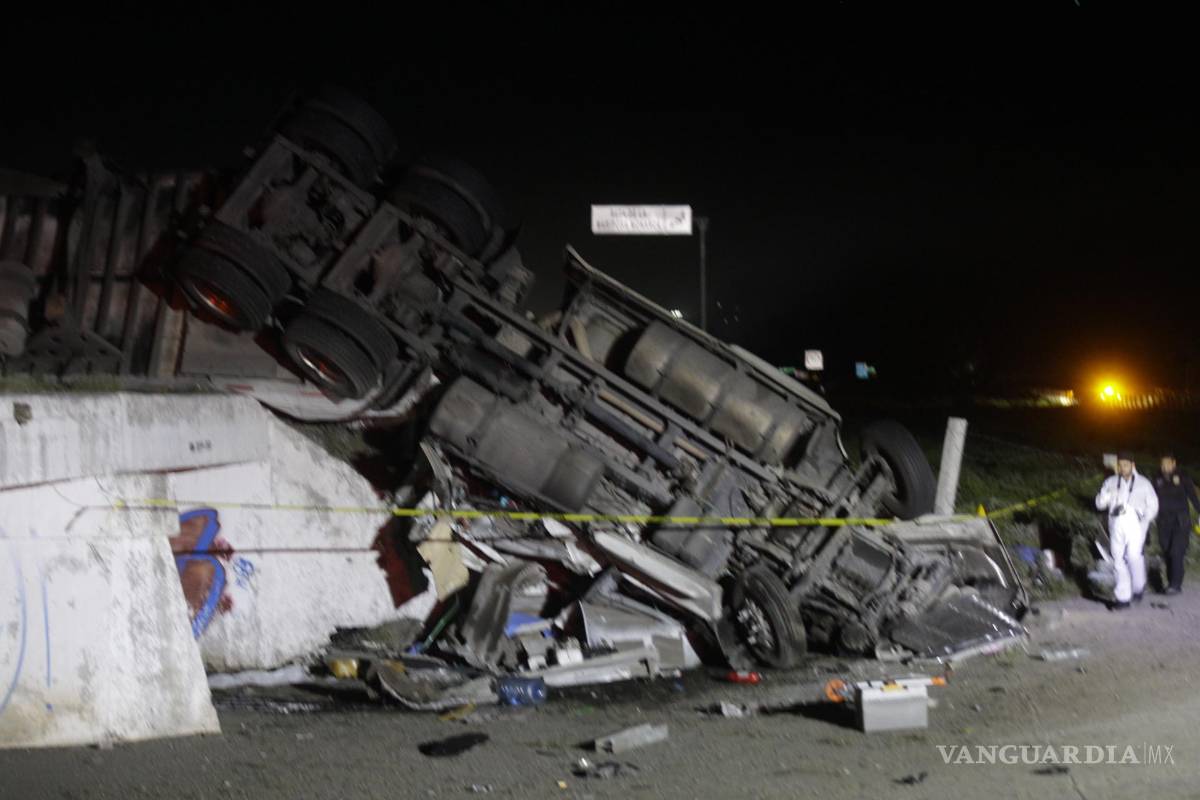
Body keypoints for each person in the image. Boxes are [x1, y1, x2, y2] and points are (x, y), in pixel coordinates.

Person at [1095, 452, 1159, 610]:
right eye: (1120, 465)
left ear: (1133, 465)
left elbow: (1153, 505)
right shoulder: (1110, 482)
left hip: (1135, 524)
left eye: (1126, 465)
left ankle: (1138, 586)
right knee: (1117, 560)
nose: (1122, 468)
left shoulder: (1143, 483)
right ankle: (1122, 598)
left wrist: (1145, 522)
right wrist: (1105, 495)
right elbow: (1099, 504)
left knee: (1133, 556)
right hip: (1116, 524)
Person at [1152, 453, 1200, 594]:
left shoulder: (1183, 478)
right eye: (1162, 464)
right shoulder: (1157, 479)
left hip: (1181, 521)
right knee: (1167, 552)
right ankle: (1170, 583)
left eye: (1167, 463)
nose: (1164, 466)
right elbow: (1150, 498)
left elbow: (1193, 498)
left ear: (1174, 464)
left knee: (1176, 552)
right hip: (1163, 522)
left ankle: (1175, 585)